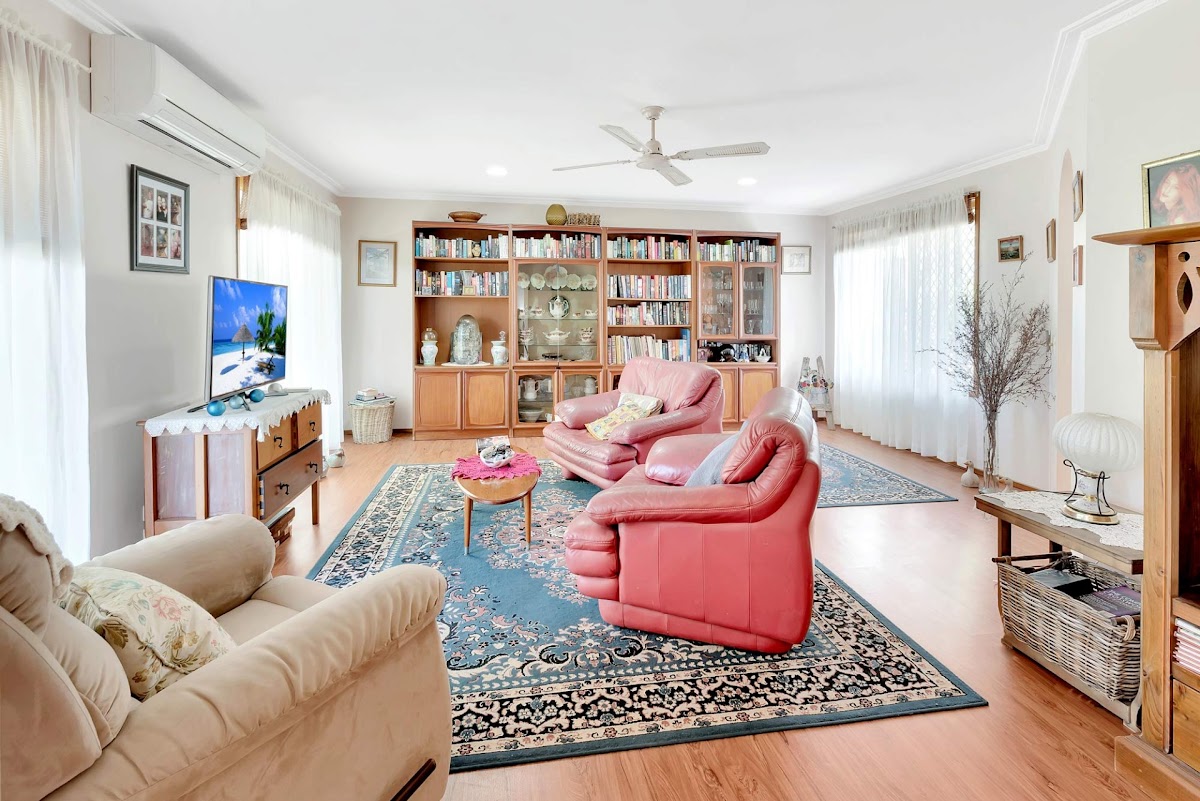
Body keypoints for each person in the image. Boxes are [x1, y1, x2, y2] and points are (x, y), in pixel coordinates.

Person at [1152, 162, 1200, 226]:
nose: (1167, 189)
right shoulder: (1168, 212)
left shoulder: (1179, 220)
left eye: (1176, 187)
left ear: (1185, 193)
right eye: (1167, 182)